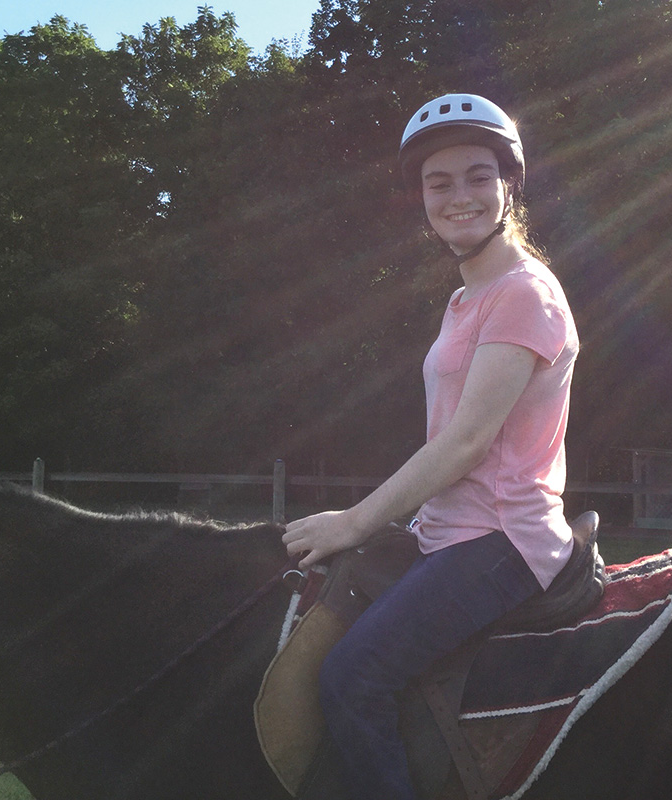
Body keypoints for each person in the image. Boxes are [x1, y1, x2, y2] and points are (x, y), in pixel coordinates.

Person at [281, 93, 579, 800]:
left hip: (503, 538)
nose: (459, 196)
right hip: (447, 533)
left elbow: (467, 442)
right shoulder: (466, 297)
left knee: (352, 676)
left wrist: (354, 522)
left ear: (511, 184)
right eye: (437, 182)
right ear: (420, 197)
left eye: (479, 175)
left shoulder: (522, 294)